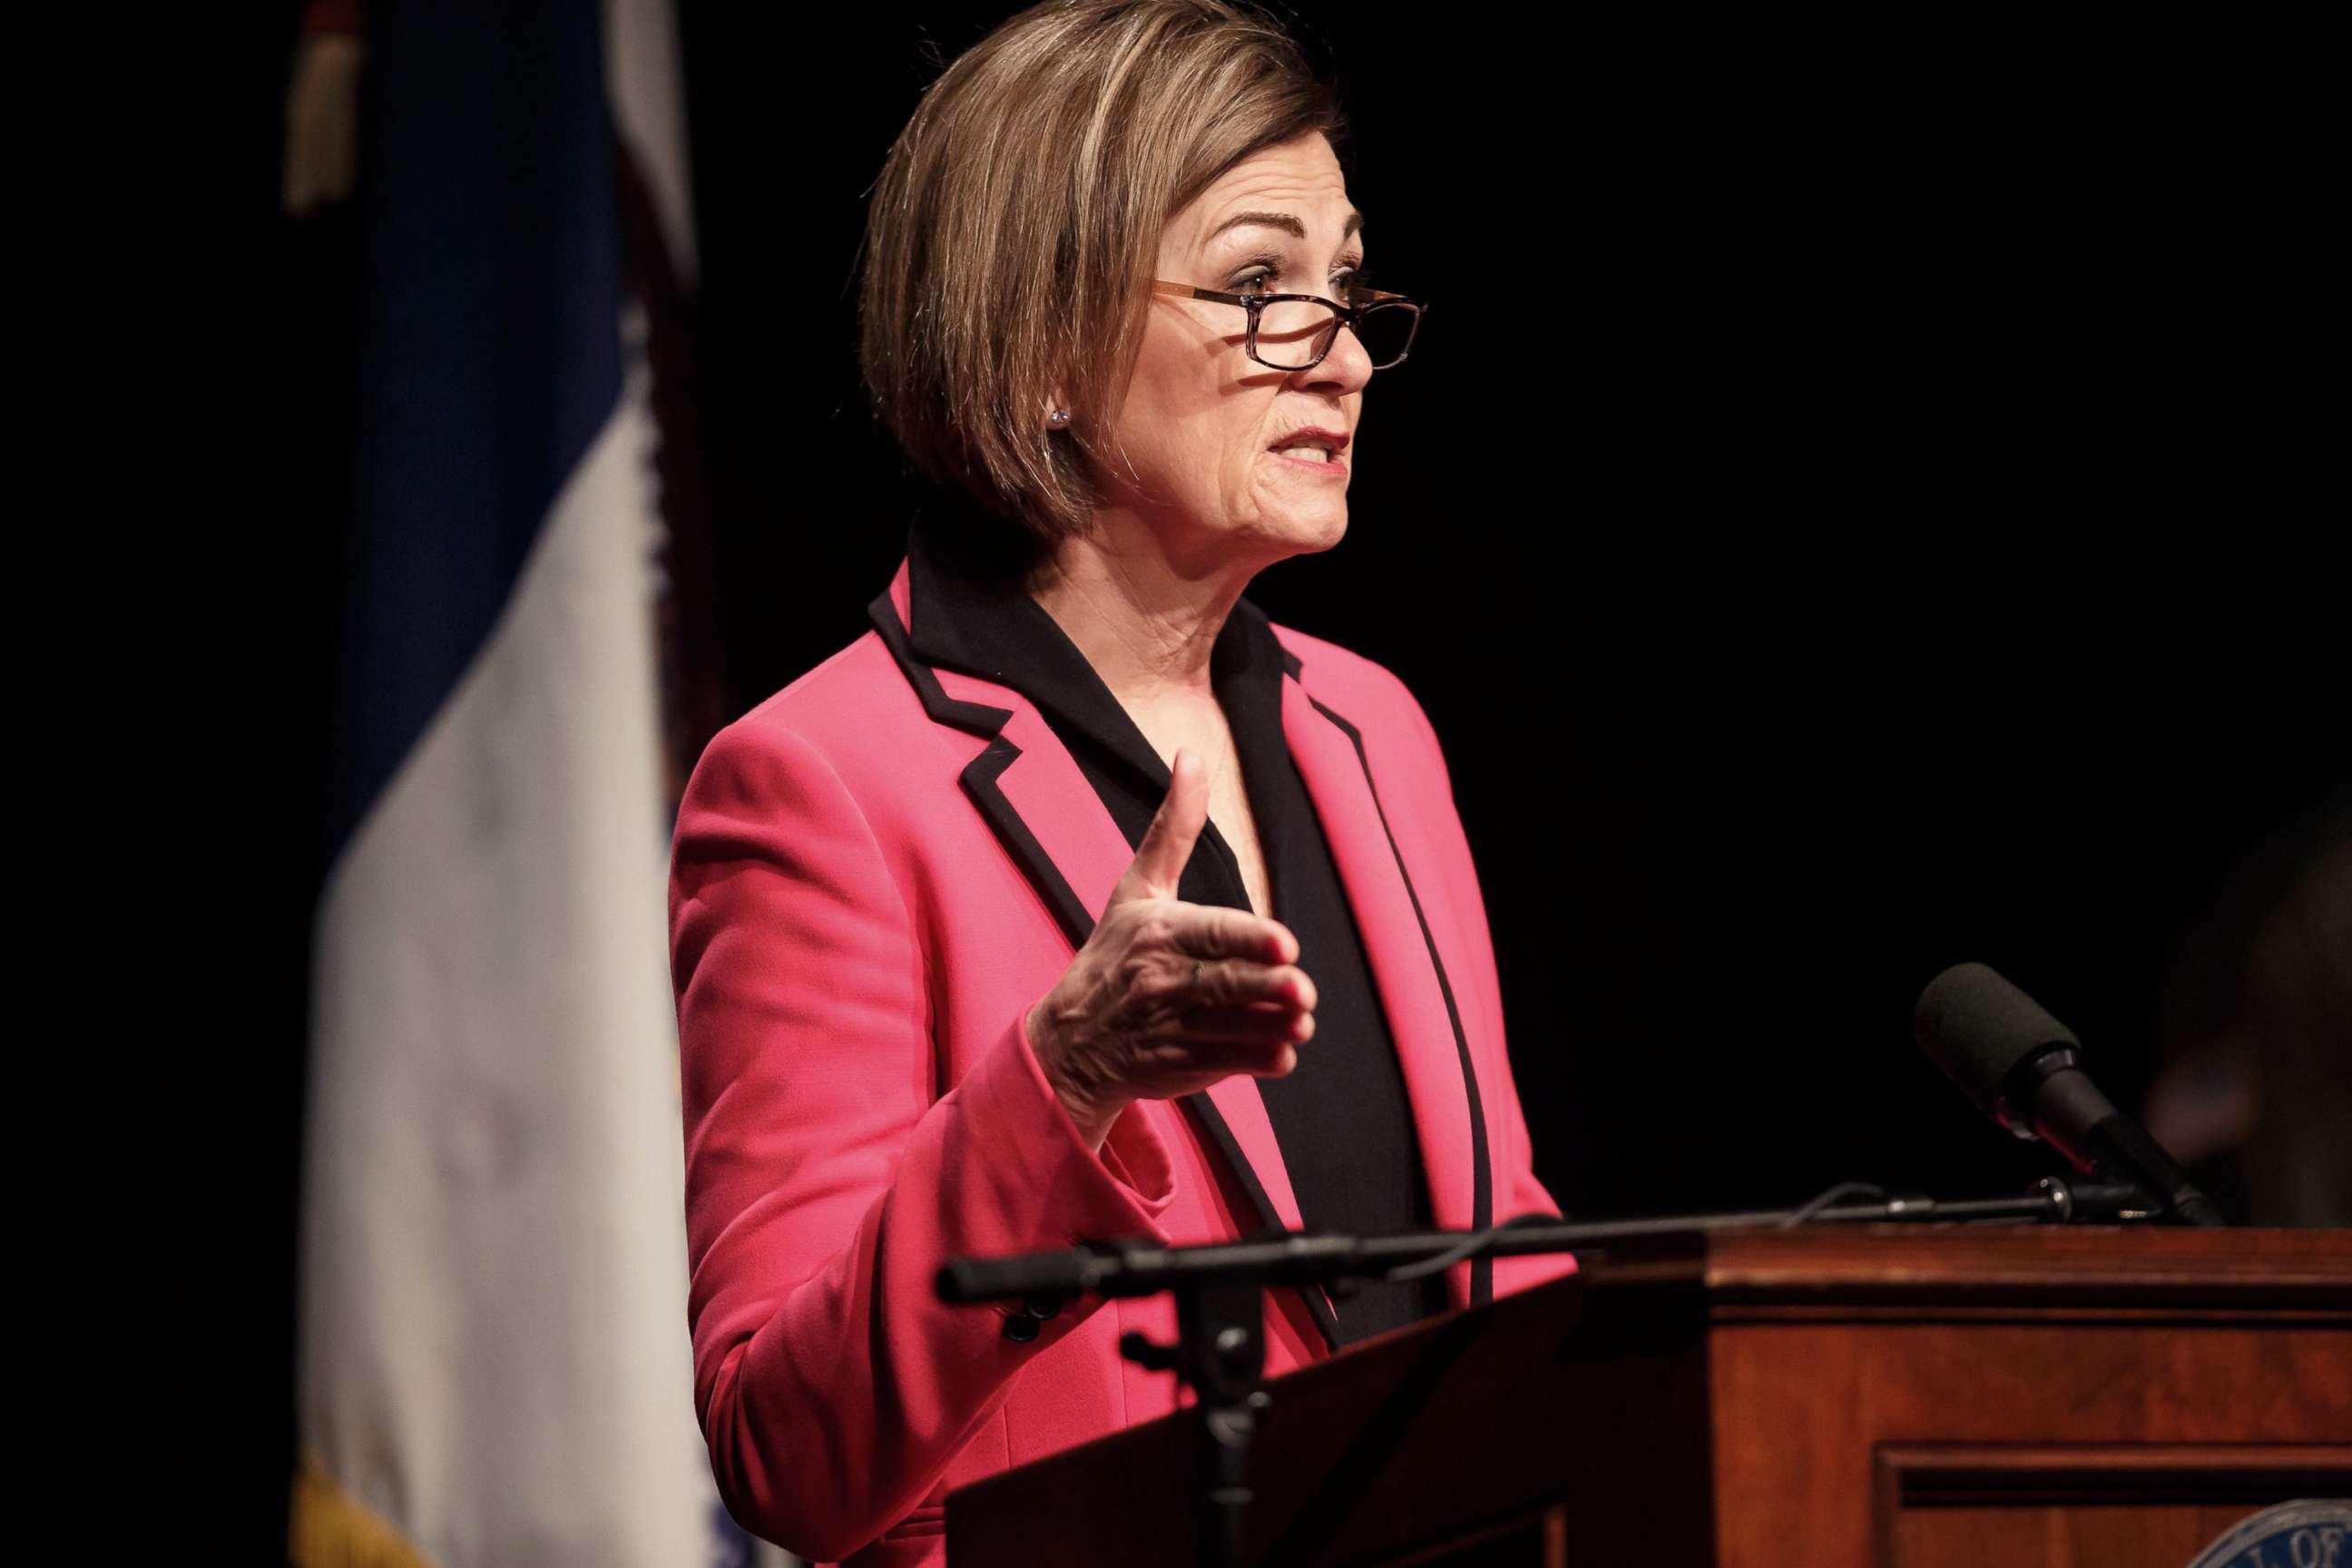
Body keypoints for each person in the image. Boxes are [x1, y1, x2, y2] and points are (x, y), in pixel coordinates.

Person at [667, 3, 1572, 1561]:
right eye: (1258, 288)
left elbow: (1498, 1257)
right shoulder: (821, 786)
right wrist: (1064, 1080)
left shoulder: (1373, 733)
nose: (1346, 357)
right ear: (1039, 357)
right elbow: (787, 1448)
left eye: (1345, 288)